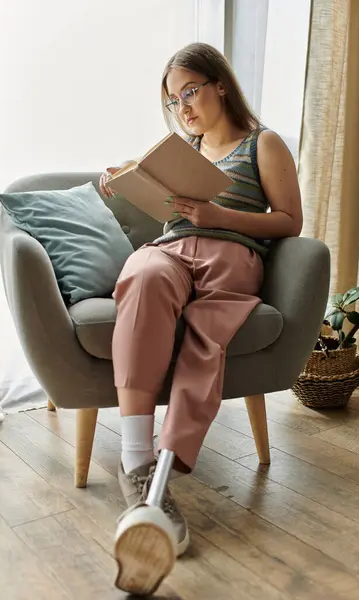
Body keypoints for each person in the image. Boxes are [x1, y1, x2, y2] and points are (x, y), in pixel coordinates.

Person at [100, 42, 302, 561]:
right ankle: (137, 461)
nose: (182, 106)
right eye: (173, 100)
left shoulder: (263, 143)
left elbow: (289, 222)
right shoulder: (182, 149)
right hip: (167, 249)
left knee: (205, 335)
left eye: (189, 91)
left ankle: (160, 474)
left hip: (231, 254)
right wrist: (121, 180)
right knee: (143, 278)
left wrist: (219, 217)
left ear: (220, 85)